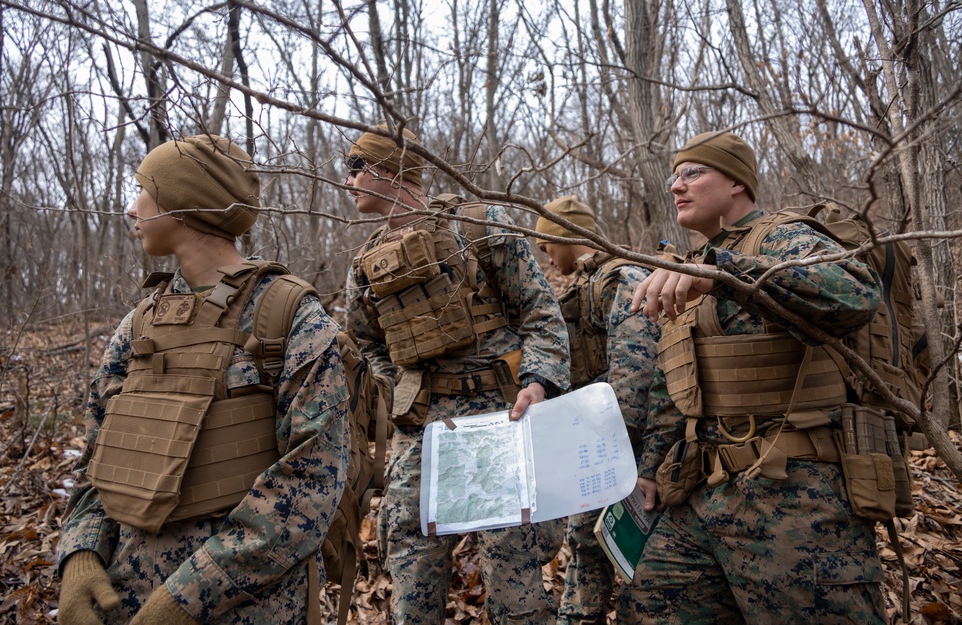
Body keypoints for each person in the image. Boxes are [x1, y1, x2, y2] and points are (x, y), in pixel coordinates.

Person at [56, 135, 350, 624]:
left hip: (249, 604)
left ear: (182, 204)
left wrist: (187, 598)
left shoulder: (287, 315)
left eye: (143, 190)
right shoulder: (139, 324)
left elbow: (313, 481)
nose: (131, 208)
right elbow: (97, 458)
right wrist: (81, 557)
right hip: (125, 596)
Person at [627, 131, 886, 623]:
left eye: (692, 173)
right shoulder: (690, 265)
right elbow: (676, 381)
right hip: (700, 493)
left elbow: (855, 292)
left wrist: (724, 272)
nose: (677, 186)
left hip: (794, 496)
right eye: (674, 177)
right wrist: (650, 469)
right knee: (649, 608)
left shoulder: (781, 236)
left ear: (736, 183)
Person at [342, 126, 570, 625]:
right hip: (422, 430)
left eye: (357, 167)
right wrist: (394, 388)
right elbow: (364, 342)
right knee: (409, 572)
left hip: (499, 419)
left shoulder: (478, 225)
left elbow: (541, 313)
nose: (348, 180)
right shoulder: (366, 264)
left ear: (392, 170)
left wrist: (539, 381)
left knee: (514, 581)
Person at [534, 195, 659, 625]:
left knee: (612, 549)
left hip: (629, 446)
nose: (544, 254)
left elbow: (636, 369)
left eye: (546, 243)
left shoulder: (621, 277)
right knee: (588, 544)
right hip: (603, 444)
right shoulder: (584, 285)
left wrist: (610, 450)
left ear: (566, 235)